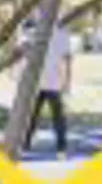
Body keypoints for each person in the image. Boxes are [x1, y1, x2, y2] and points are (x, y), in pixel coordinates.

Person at [25, 22, 73, 158]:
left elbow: (68, 59)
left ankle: (61, 147)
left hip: (54, 83)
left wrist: (67, 81)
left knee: (58, 117)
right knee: (31, 115)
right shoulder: (33, 31)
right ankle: (26, 143)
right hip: (36, 82)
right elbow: (25, 52)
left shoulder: (61, 34)